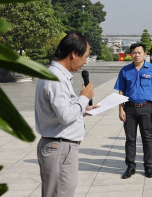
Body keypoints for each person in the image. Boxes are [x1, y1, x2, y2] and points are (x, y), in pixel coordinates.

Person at [35, 33, 98, 197]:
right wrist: (84, 97)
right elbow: (64, 115)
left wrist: (83, 108)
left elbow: (59, 110)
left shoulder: (56, 75)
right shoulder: (56, 78)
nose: (85, 61)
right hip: (59, 147)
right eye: (85, 56)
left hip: (58, 146)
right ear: (73, 54)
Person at [116, 43, 152, 179]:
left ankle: (148, 166)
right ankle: (130, 166)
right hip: (129, 108)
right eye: (134, 52)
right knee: (130, 139)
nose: (137, 55)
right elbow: (121, 91)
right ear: (131, 54)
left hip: (146, 107)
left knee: (148, 138)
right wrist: (120, 109)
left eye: (139, 52)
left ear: (145, 54)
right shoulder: (125, 70)